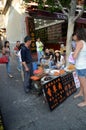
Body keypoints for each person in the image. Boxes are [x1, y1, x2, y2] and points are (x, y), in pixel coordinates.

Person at [73, 28, 86, 107]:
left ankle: (85, 101)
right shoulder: (84, 42)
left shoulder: (79, 43)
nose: (75, 35)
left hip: (81, 67)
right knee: (82, 82)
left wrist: (73, 53)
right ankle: (80, 93)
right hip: (83, 66)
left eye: (76, 34)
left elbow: (74, 56)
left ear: (79, 35)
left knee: (84, 85)